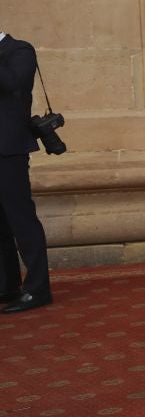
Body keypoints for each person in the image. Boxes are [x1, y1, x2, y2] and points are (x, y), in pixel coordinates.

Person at [0, 28, 52, 314]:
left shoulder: (19, 50)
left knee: (22, 221)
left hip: (8, 150)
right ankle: (7, 285)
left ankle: (38, 289)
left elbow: (11, 84)